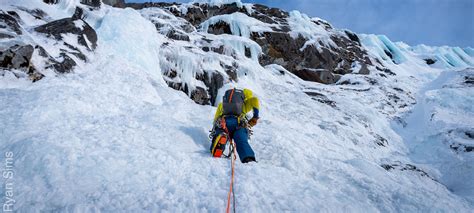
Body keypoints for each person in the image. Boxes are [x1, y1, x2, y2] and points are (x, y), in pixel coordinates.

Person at [210, 88, 260, 163]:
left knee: (220, 133)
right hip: (239, 124)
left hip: (224, 123)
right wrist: (255, 116)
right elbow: (255, 100)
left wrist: (215, 129)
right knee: (241, 139)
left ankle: (219, 139)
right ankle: (248, 158)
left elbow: (216, 119)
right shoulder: (244, 105)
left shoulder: (222, 105)